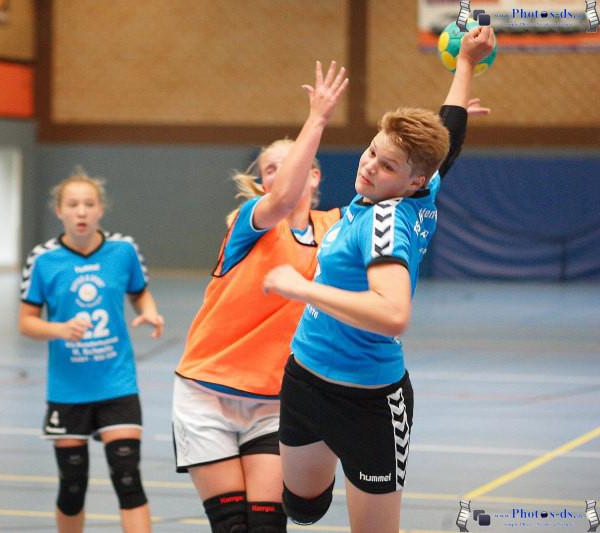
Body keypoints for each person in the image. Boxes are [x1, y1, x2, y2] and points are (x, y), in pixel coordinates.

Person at [262, 26, 496, 533]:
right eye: (371, 151)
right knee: (302, 507)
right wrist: (465, 63)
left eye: (386, 166)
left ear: (412, 181)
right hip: (305, 378)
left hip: (368, 400)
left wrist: (302, 288)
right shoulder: (417, 187)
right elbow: (449, 137)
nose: (369, 167)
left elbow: (392, 314)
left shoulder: (386, 221)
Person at [172, 61, 350, 533]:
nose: (282, 174)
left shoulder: (336, 228)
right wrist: (317, 118)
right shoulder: (247, 222)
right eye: (271, 169)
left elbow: (408, 191)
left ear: (315, 174)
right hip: (206, 393)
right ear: (264, 182)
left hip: (276, 401)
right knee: (232, 527)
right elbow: (282, 198)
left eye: (293, 165)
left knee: (268, 526)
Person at [19, 169, 164, 533]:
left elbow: (139, 292)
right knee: (72, 486)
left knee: (128, 480)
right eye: (72, 205)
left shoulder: (123, 250)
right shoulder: (43, 259)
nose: (81, 211)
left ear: (101, 209)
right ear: (59, 211)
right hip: (68, 390)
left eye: (89, 204)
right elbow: (26, 322)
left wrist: (148, 311)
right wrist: (59, 329)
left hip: (117, 383)